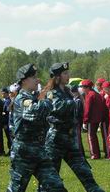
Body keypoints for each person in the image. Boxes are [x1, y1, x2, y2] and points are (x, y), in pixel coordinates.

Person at [39, 62, 104, 192]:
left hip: (70, 139)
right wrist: (75, 101)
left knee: (86, 174)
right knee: (50, 179)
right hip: (55, 140)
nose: (68, 75)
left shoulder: (67, 91)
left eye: (68, 72)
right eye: (65, 73)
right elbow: (58, 107)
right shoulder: (51, 92)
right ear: (57, 77)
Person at [7, 64, 67, 192]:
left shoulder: (34, 97)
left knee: (56, 186)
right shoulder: (21, 99)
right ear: (24, 81)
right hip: (24, 152)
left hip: (39, 150)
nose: (37, 80)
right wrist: (48, 100)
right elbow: (36, 112)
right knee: (16, 188)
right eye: (34, 77)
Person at [80, 79, 104, 159]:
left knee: (91, 136)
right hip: (97, 119)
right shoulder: (96, 94)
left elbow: (87, 109)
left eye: (83, 87)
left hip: (91, 119)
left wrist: (85, 121)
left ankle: (94, 154)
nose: (82, 89)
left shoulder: (89, 95)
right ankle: (97, 153)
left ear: (87, 87)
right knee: (93, 136)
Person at [1, 87, 12, 154]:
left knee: (9, 136)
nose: (2, 94)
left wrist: (5, 123)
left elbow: (6, 112)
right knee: (8, 137)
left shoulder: (8, 101)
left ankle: (11, 149)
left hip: (7, 121)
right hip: (4, 121)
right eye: (2, 93)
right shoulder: (4, 100)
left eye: (4, 93)